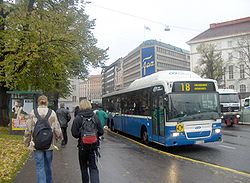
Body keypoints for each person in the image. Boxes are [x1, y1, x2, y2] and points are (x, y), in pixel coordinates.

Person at [24, 95, 62, 183]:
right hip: (49, 144)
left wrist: (27, 142)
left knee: (39, 166)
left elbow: (28, 129)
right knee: (48, 165)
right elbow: (57, 129)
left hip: (36, 143)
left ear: (38, 102)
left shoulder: (33, 113)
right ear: (47, 102)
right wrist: (58, 141)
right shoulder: (52, 113)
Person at [71, 99, 104, 183]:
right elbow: (101, 132)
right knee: (93, 167)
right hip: (93, 146)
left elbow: (74, 134)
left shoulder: (78, 118)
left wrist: (81, 134)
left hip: (82, 146)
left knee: (84, 167)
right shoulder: (95, 117)